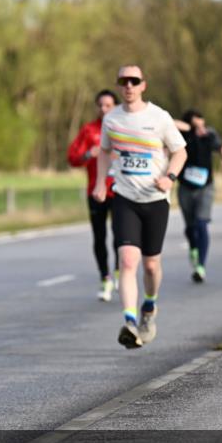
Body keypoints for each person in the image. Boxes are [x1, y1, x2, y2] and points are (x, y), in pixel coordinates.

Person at [93, 65, 187, 349]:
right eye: (124, 81)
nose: (129, 86)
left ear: (143, 85)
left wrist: (170, 177)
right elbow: (104, 152)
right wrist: (100, 182)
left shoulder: (159, 117)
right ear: (119, 85)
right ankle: (130, 322)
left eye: (134, 81)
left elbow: (180, 152)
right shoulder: (111, 118)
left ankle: (149, 305)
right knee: (127, 261)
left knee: (151, 264)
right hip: (125, 198)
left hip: (155, 200)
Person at [67, 89, 119, 301]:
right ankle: (105, 277)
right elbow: (72, 158)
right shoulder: (89, 130)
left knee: (121, 234)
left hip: (120, 190)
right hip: (96, 191)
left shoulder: (124, 127)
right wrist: (89, 154)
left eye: (108, 105)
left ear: (116, 107)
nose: (103, 109)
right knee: (99, 237)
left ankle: (120, 271)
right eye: (100, 105)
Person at [174, 110, 222, 282]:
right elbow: (168, 121)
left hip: (205, 186)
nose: (201, 127)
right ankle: (193, 247)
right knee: (190, 227)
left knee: (201, 224)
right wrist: (189, 128)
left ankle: (200, 266)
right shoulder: (181, 136)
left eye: (202, 123)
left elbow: (221, 146)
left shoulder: (209, 134)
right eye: (196, 124)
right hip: (185, 187)